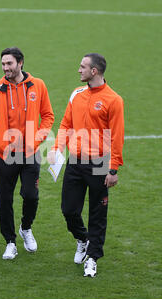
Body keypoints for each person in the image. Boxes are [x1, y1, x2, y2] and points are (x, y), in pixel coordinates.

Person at [48, 53, 125, 277]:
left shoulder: (113, 100)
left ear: (94, 71)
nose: (78, 70)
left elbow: (117, 137)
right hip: (75, 161)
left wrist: (113, 169)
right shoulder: (77, 93)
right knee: (69, 209)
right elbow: (66, 123)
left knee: (97, 213)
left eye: (82, 67)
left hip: (100, 162)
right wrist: (56, 148)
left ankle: (92, 257)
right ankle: (83, 239)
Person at [0, 47, 54, 260]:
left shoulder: (38, 86)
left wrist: (37, 140)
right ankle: (10, 241)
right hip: (5, 154)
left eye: (9, 64)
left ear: (20, 63)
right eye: (3, 64)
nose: (5, 68)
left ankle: (26, 227)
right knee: (5, 199)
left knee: (31, 195)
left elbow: (48, 116)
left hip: (31, 153)